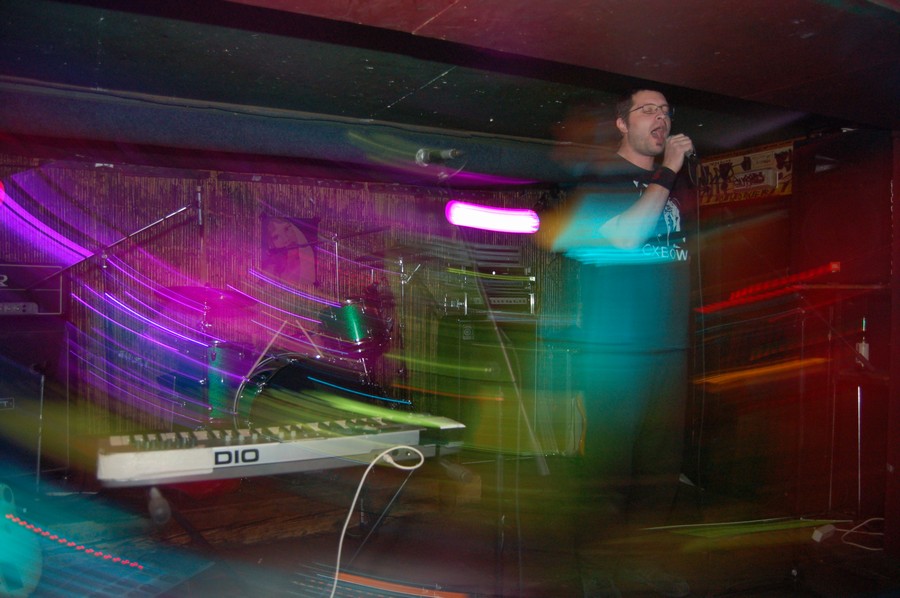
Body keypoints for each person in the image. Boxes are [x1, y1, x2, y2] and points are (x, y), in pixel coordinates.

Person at [537, 88, 694, 597]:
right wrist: (667, 172)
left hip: (668, 348)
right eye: (648, 110)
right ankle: (598, 573)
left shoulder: (673, 184)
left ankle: (641, 564)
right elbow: (626, 238)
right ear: (623, 124)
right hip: (616, 354)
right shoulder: (604, 178)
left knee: (659, 472)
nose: (660, 118)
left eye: (666, 111)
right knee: (609, 471)